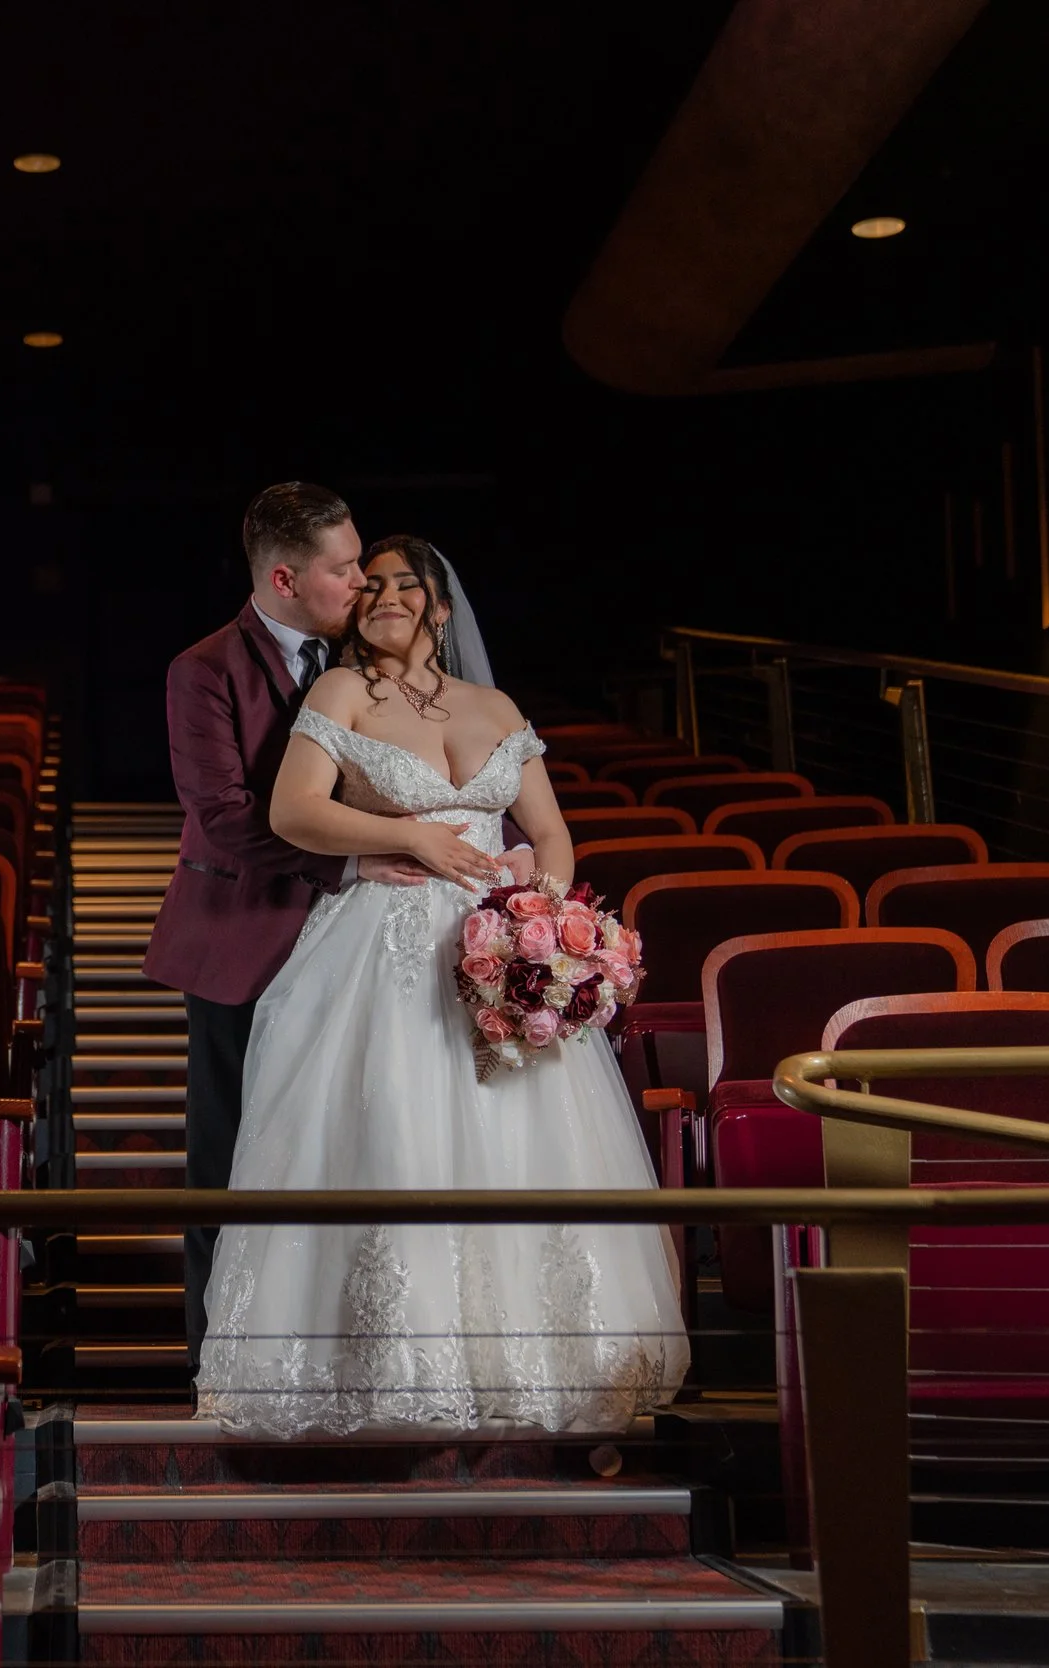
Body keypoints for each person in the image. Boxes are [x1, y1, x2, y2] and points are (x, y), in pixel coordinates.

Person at [194, 533, 689, 1436]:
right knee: (396, 1130)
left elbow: (549, 830)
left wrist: (539, 923)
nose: (383, 597)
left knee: (524, 1147)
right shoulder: (341, 693)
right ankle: (396, 1371)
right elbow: (292, 809)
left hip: (497, 948)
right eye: (369, 585)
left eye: (403, 586)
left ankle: (546, 1374)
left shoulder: (493, 705)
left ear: (442, 607)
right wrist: (414, 837)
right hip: (385, 946)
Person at [143, 483, 434, 1369]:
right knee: (229, 1162)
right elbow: (225, 817)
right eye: (344, 569)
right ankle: (217, 1367)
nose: (364, 584)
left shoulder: (373, 657)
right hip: (250, 938)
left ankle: (343, 1359)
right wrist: (348, 860)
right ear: (283, 577)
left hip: (368, 948)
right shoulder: (203, 669)